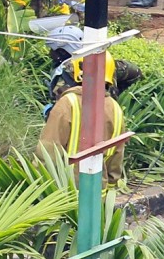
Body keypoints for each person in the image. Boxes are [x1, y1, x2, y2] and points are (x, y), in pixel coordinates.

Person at [38, 54, 127, 187]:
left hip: (65, 192)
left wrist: (37, 184)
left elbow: (48, 149)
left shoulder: (68, 103)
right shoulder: (115, 108)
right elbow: (116, 159)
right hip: (97, 192)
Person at [44, 25, 142, 99]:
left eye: (53, 50)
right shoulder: (103, 61)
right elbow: (136, 72)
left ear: (63, 51)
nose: (50, 53)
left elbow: (59, 110)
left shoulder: (66, 76)